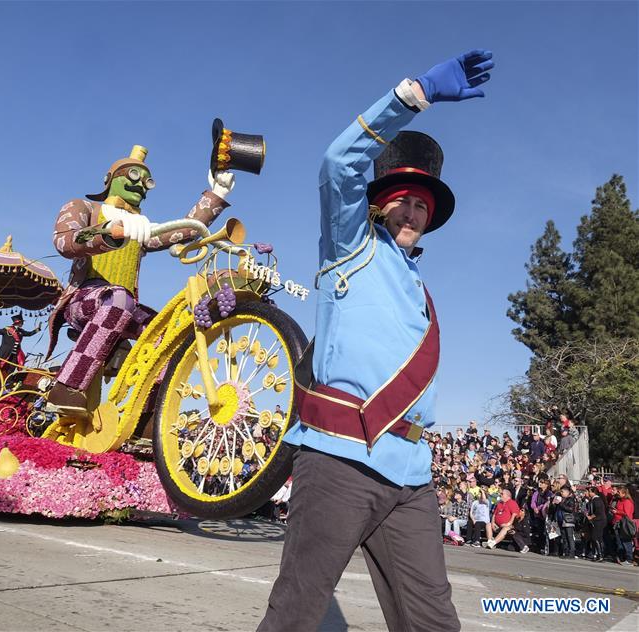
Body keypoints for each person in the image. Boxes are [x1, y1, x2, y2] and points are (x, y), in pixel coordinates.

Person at [258, 49, 494, 632]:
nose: (413, 210)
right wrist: (413, 94)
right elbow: (339, 163)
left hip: (412, 476)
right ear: (380, 201)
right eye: (404, 199)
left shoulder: (419, 287)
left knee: (434, 623)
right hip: (340, 459)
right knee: (296, 615)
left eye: (423, 204)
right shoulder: (351, 245)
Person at [45, 144, 235, 418]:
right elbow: (66, 240)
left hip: (122, 303)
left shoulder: (141, 227)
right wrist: (107, 231)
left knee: (166, 334)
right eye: (133, 177)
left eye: (147, 181)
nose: (141, 186)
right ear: (110, 180)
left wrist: (217, 193)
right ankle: (66, 387)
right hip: (82, 300)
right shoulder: (83, 207)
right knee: (119, 299)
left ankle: (147, 419)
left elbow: (181, 231)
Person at [485, 488, 529, 552]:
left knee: (505, 528)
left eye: (502, 494)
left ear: (508, 495)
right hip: (497, 525)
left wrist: (509, 523)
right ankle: (489, 541)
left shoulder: (512, 503)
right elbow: (494, 514)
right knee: (488, 524)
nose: (500, 495)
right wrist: (492, 523)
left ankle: (493, 543)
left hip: (509, 526)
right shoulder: (499, 503)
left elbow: (514, 515)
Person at [612, 487, 635, 565]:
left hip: (624, 524)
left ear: (624, 494)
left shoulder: (627, 502)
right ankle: (622, 557)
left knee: (626, 541)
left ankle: (629, 559)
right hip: (617, 522)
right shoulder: (620, 500)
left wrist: (617, 511)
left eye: (619, 492)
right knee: (619, 542)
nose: (618, 493)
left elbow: (627, 513)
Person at [584, 486, 608, 562]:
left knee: (596, 537)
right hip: (596, 521)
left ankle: (600, 555)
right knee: (596, 537)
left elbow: (598, 511)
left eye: (590, 491)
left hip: (599, 521)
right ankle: (598, 554)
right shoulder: (593, 500)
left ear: (593, 492)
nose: (588, 493)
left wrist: (591, 516)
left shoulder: (597, 500)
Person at [554, 485, 578, 559]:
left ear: (567, 492)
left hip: (568, 520)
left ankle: (572, 552)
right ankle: (566, 552)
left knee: (569, 536)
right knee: (564, 537)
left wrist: (560, 503)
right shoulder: (562, 499)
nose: (561, 493)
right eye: (561, 491)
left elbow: (570, 509)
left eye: (563, 492)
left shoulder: (570, 499)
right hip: (561, 520)